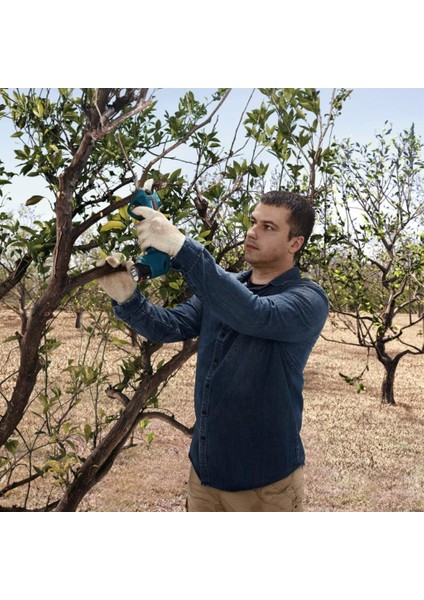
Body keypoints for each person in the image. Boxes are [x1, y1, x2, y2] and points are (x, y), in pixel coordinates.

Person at [98, 190, 329, 511]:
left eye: (268, 227)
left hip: (267, 485)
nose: (252, 232)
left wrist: (184, 249)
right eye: (253, 222)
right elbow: (170, 326)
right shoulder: (226, 287)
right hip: (205, 474)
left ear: (295, 243)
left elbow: (255, 314)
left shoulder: (307, 298)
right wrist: (128, 300)